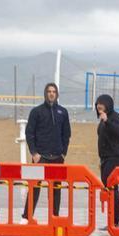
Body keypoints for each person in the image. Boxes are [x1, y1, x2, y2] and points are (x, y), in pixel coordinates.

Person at [23, 82, 71, 220]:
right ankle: (27, 216)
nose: (51, 93)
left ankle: (55, 216)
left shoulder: (63, 112)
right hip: (40, 156)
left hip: (57, 157)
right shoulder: (36, 112)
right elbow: (29, 133)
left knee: (56, 189)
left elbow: (66, 134)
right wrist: (34, 153)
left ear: (56, 94)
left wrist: (63, 153)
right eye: (49, 91)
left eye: (54, 92)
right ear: (45, 94)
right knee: (34, 187)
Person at [95, 94, 119, 226]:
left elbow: (118, 132)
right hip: (105, 158)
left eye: (101, 103)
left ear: (108, 105)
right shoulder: (102, 120)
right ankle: (115, 219)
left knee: (110, 186)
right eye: (97, 104)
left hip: (115, 157)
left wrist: (107, 121)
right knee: (109, 187)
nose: (99, 106)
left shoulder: (115, 117)